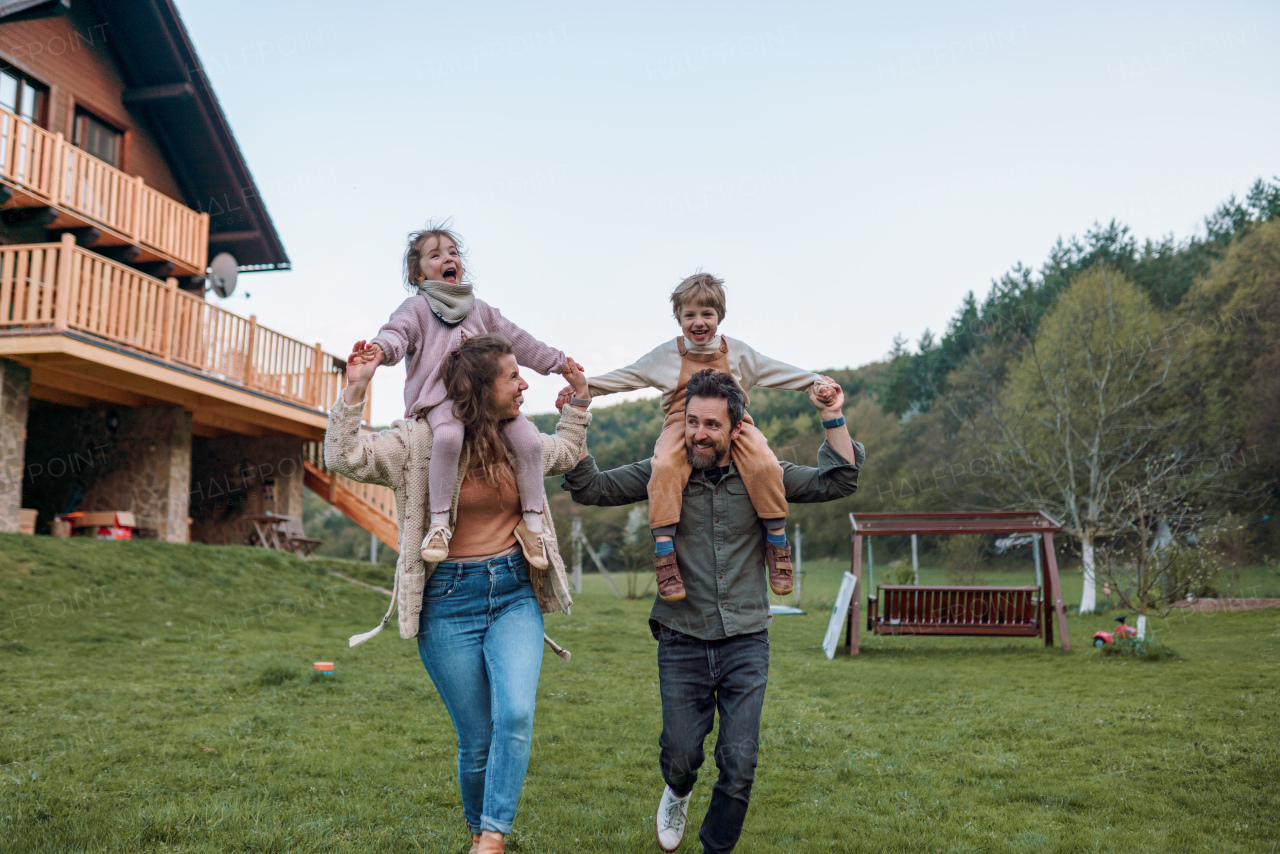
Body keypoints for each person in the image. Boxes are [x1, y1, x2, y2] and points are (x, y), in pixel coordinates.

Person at [564, 368, 863, 854]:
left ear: (737, 428)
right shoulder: (662, 472)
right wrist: (576, 415)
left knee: (739, 764)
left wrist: (832, 415)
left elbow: (839, 480)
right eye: (692, 422)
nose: (699, 434)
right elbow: (591, 488)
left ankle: (715, 848)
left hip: (746, 638)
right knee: (682, 756)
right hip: (682, 637)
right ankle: (678, 790)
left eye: (712, 425)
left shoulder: (766, 475)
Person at [326, 333, 593, 854]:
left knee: (514, 714)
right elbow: (345, 455)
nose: (524, 383)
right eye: (513, 376)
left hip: (514, 590)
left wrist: (578, 403)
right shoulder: (418, 443)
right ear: (479, 387)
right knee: (476, 741)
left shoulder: (520, 438)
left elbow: (564, 450)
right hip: (448, 602)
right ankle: (480, 833)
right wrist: (355, 390)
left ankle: (491, 838)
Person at [558, 272, 838, 603]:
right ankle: (665, 554)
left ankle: (777, 543)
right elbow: (628, 376)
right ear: (678, 318)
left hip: (736, 422)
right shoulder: (665, 355)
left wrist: (813, 381)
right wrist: (585, 388)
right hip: (681, 423)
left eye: (707, 314)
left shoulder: (737, 352)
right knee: (664, 466)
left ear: (720, 316)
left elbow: (775, 370)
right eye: (690, 314)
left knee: (765, 463)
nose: (699, 322)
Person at [365, 224, 581, 570]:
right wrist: (380, 349)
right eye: (435, 255)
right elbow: (397, 332)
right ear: (418, 273)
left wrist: (557, 361)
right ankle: (439, 524)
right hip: (442, 401)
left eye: (452, 252)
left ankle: (532, 524)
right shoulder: (417, 308)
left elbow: (519, 341)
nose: (447, 258)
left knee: (531, 444)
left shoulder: (480, 310)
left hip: (491, 403)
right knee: (449, 436)